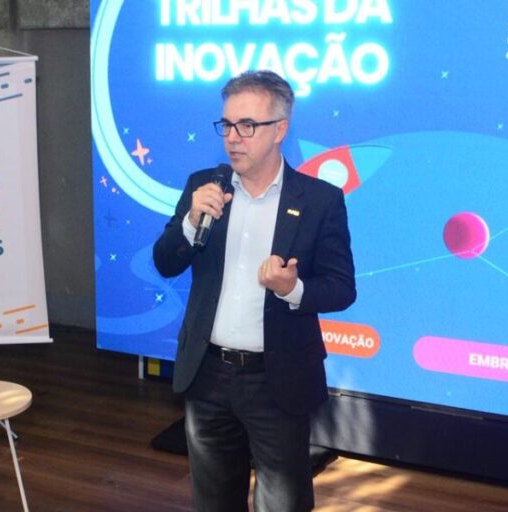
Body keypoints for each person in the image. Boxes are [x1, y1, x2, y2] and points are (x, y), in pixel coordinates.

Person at [153, 70, 357, 512]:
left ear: (280, 129)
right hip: (206, 373)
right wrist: (190, 222)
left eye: (247, 125)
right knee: (213, 500)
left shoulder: (319, 200)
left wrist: (292, 288)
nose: (232, 137)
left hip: (277, 378)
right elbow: (165, 262)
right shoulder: (204, 187)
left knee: (283, 501)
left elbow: (342, 289)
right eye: (227, 124)